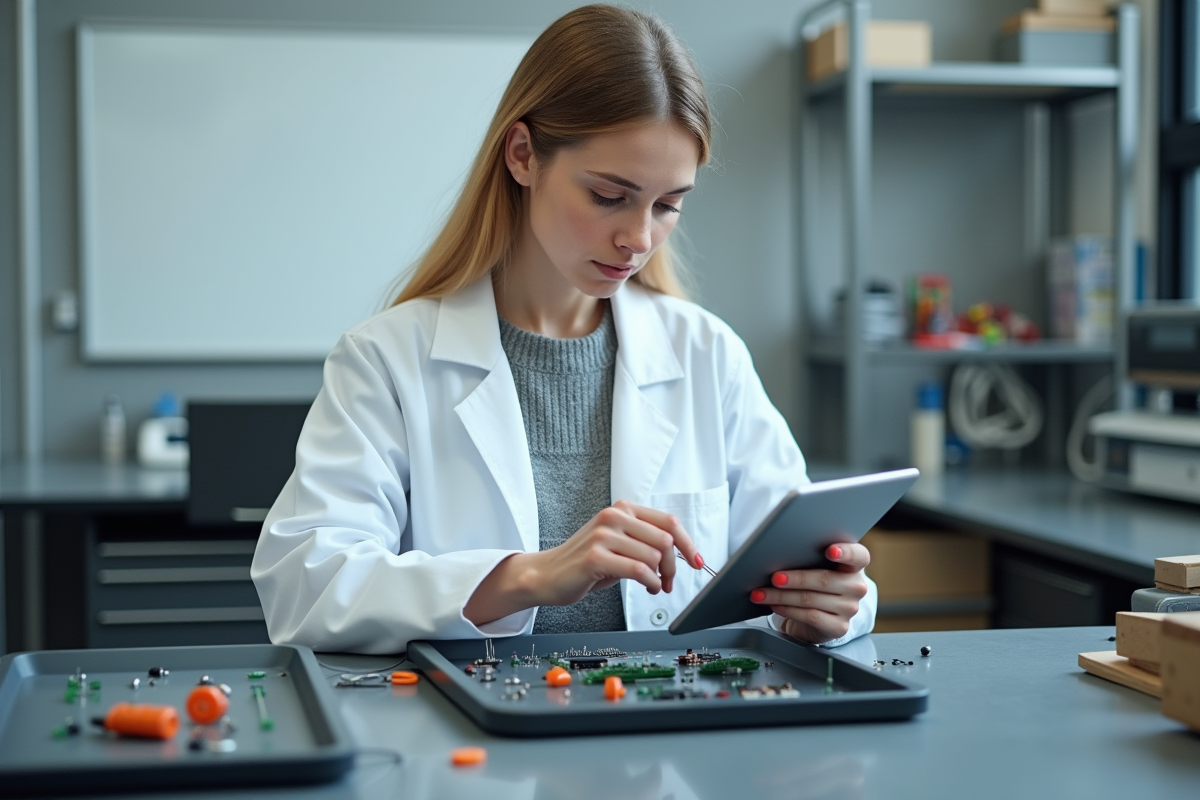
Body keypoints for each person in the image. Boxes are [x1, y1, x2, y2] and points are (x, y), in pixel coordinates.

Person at [251, 4, 875, 654]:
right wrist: (530, 576)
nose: (638, 238)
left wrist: (829, 607)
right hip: (468, 745)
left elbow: (813, 559)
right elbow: (306, 586)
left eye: (667, 206)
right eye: (610, 196)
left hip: (677, 744)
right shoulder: (387, 360)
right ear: (523, 155)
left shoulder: (706, 354)